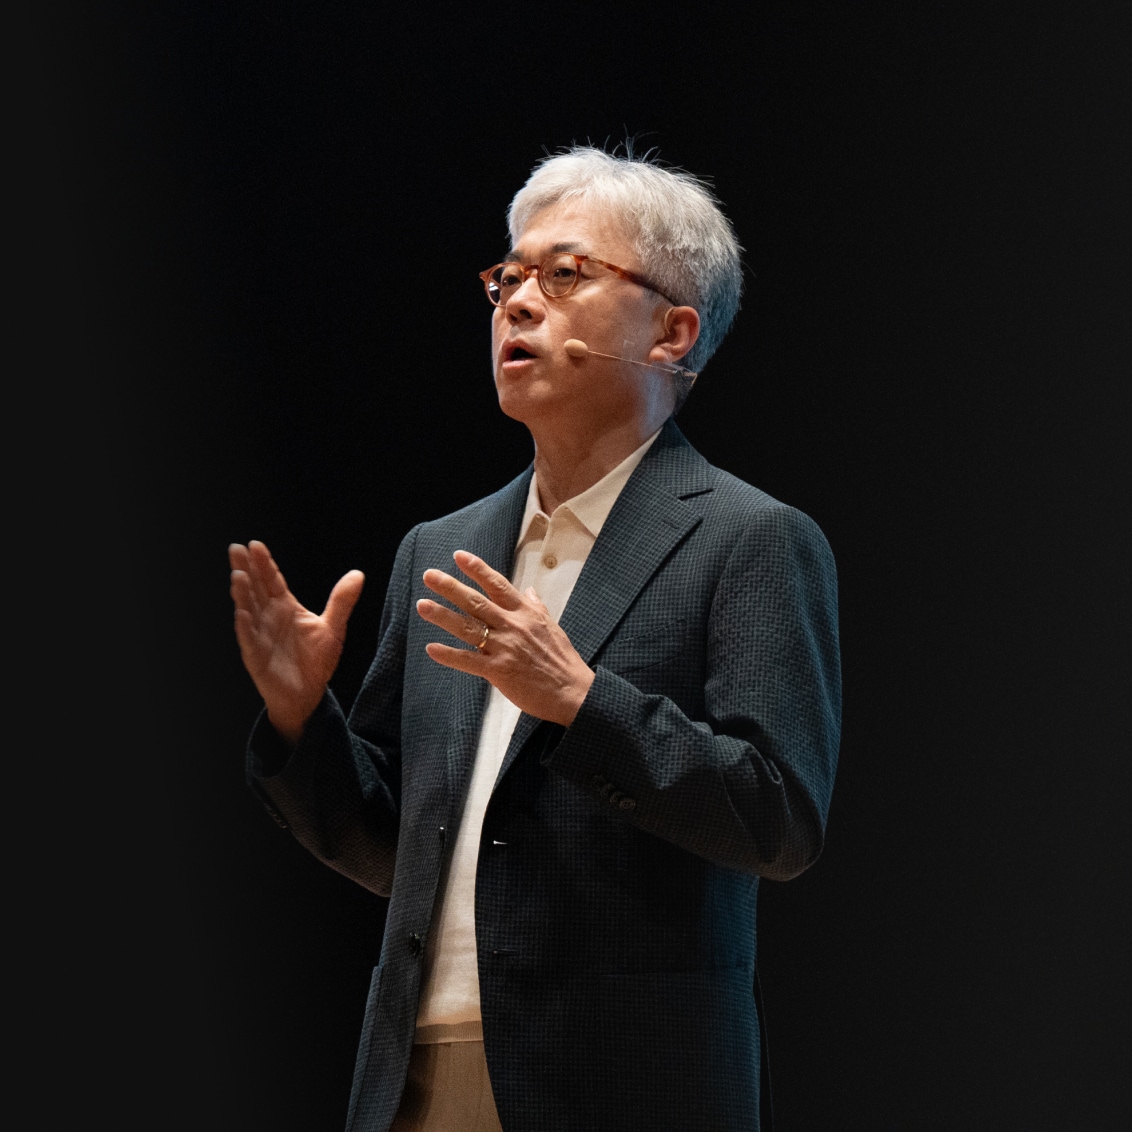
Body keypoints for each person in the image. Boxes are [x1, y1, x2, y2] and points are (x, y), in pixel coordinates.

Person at [229, 145, 841, 1132]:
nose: (516, 302)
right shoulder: (446, 546)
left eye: (564, 274)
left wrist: (581, 701)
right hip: (418, 1074)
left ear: (670, 333)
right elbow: (394, 847)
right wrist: (304, 722)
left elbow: (777, 821)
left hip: (625, 1081)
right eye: (506, 277)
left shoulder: (751, 540)